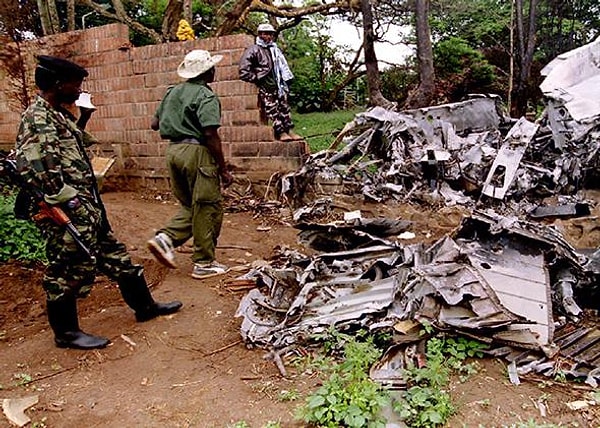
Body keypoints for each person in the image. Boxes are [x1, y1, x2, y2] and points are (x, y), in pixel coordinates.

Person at [14, 55, 183, 350]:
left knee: (115, 255)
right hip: (66, 210)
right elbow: (42, 169)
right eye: (75, 84)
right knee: (68, 268)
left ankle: (145, 307)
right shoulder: (38, 118)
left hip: (85, 207)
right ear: (57, 83)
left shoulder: (57, 114)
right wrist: (70, 205)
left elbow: (74, 147)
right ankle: (66, 334)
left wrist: (83, 117)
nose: (79, 90)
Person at [147, 50, 233, 280]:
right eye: (212, 67)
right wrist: (222, 168)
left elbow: (155, 123)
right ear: (208, 71)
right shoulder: (206, 96)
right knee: (207, 206)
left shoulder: (171, 92)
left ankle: (165, 239)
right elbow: (210, 133)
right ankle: (203, 262)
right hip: (197, 153)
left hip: (173, 152)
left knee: (188, 205)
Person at [239, 23, 302, 142]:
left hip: (279, 85)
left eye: (271, 34)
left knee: (284, 107)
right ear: (260, 34)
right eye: (266, 34)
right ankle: (281, 132)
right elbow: (244, 70)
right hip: (266, 85)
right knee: (272, 109)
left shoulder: (275, 49)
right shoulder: (254, 50)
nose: (269, 37)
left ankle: (289, 130)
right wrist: (257, 78)